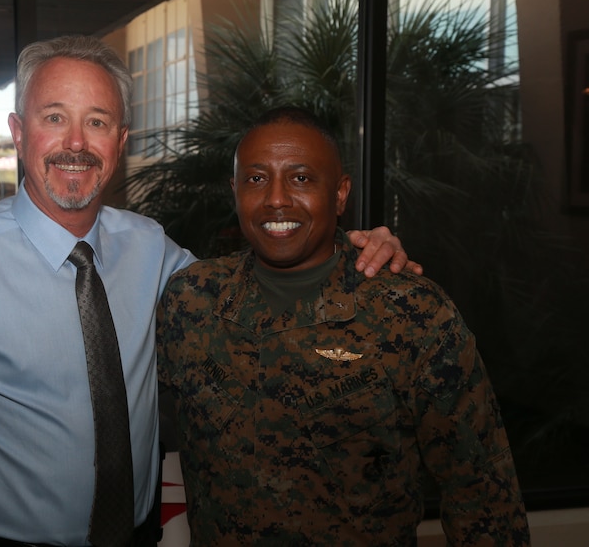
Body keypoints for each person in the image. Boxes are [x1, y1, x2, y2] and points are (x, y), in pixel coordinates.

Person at [0, 36, 414, 546]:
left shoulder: (151, 248)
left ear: (121, 139)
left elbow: (255, 291)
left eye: (98, 121)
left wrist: (353, 257)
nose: (76, 142)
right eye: (54, 116)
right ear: (17, 131)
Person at [156, 106, 530, 546]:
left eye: (300, 178)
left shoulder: (411, 313)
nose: (276, 198)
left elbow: (483, 496)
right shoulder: (192, 299)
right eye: (256, 178)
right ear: (233, 190)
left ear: (339, 193)